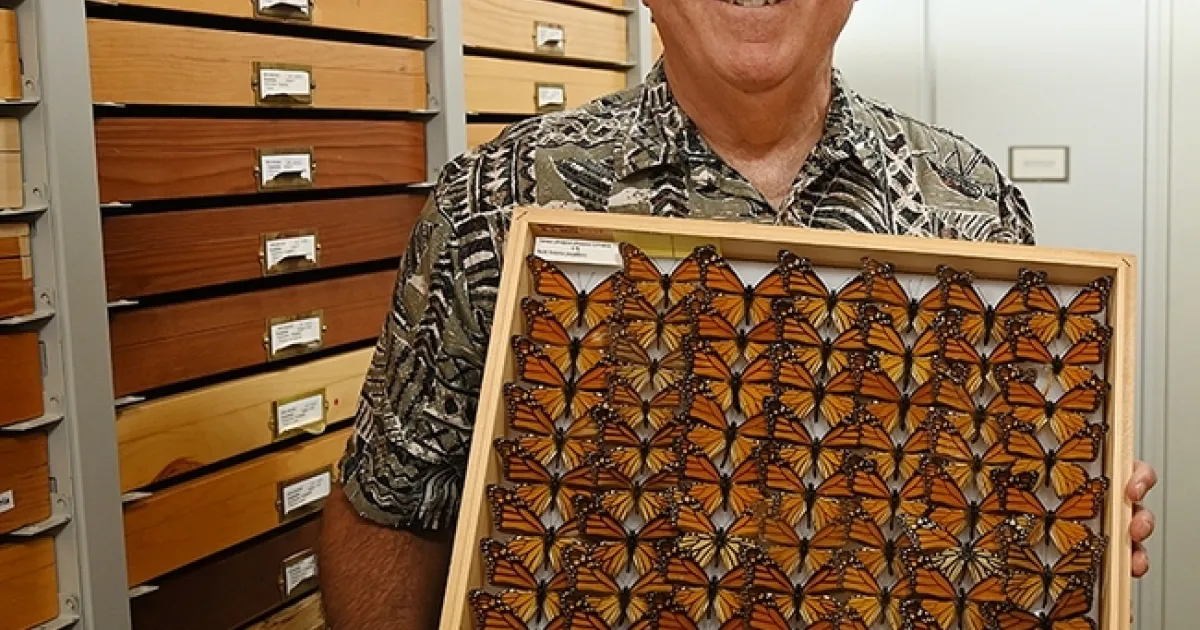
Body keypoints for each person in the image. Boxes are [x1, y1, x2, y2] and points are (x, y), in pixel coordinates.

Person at [319, 1, 1158, 627]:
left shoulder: (972, 201)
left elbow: (1008, 492)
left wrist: (1071, 529)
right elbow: (391, 506)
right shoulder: (492, 199)